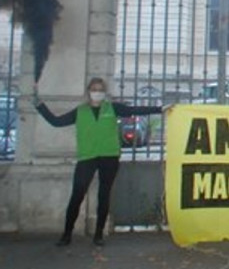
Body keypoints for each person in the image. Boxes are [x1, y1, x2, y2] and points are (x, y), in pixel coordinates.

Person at [34, 77, 163, 247]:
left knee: (104, 195)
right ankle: (66, 235)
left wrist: (160, 109)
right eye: (94, 89)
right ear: (88, 92)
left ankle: (98, 235)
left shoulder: (112, 108)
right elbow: (56, 122)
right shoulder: (80, 111)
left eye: (100, 89)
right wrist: (39, 105)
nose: (97, 92)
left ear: (104, 92)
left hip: (109, 156)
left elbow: (135, 110)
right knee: (77, 195)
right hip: (87, 157)